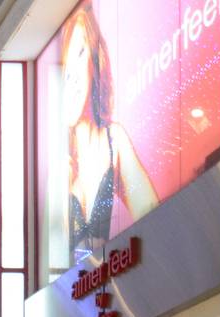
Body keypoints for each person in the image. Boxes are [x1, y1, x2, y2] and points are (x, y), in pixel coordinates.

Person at [59, 0, 159, 265]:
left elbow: (155, 217)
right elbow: (56, 269)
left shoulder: (115, 141)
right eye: (64, 71)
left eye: (80, 53)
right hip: (77, 298)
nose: (73, 79)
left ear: (94, 59)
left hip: (110, 288)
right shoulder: (62, 173)